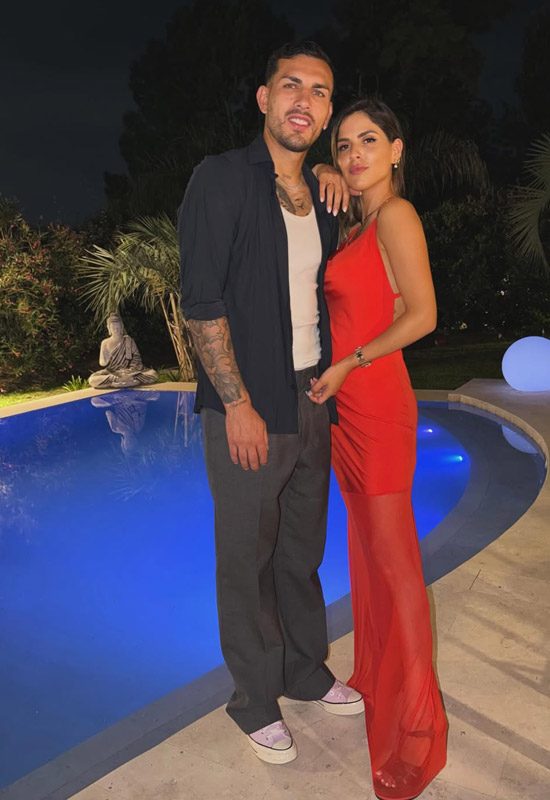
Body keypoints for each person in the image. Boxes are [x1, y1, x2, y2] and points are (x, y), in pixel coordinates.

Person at [178, 42, 363, 766]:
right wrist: (238, 404)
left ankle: (305, 672)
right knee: (245, 558)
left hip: (312, 394)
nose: (303, 101)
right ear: (264, 98)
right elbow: (202, 302)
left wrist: (327, 174)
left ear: (326, 111)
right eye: (291, 85)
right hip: (249, 403)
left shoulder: (322, 191)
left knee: (300, 551)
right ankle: (253, 700)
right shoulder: (221, 178)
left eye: (319, 91)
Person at [308, 98, 448, 799]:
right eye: (344, 144)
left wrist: (350, 362)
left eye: (369, 140)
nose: (356, 153)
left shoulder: (395, 215)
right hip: (346, 405)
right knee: (366, 553)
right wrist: (321, 172)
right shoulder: (355, 223)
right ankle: (378, 676)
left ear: (397, 149)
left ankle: (417, 729)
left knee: (396, 566)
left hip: (375, 402)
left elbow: (423, 315)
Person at [89, 313, 158, 389]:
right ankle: (122, 380)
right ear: (109, 328)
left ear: (122, 327)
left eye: (118, 327)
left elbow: (137, 359)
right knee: (92, 379)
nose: (116, 330)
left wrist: (130, 371)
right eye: (113, 328)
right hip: (113, 372)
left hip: (130, 372)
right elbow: (102, 363)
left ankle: (121, 381)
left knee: (153, 374)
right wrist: (107, 359)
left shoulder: (129, 341)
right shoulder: (105, 343)